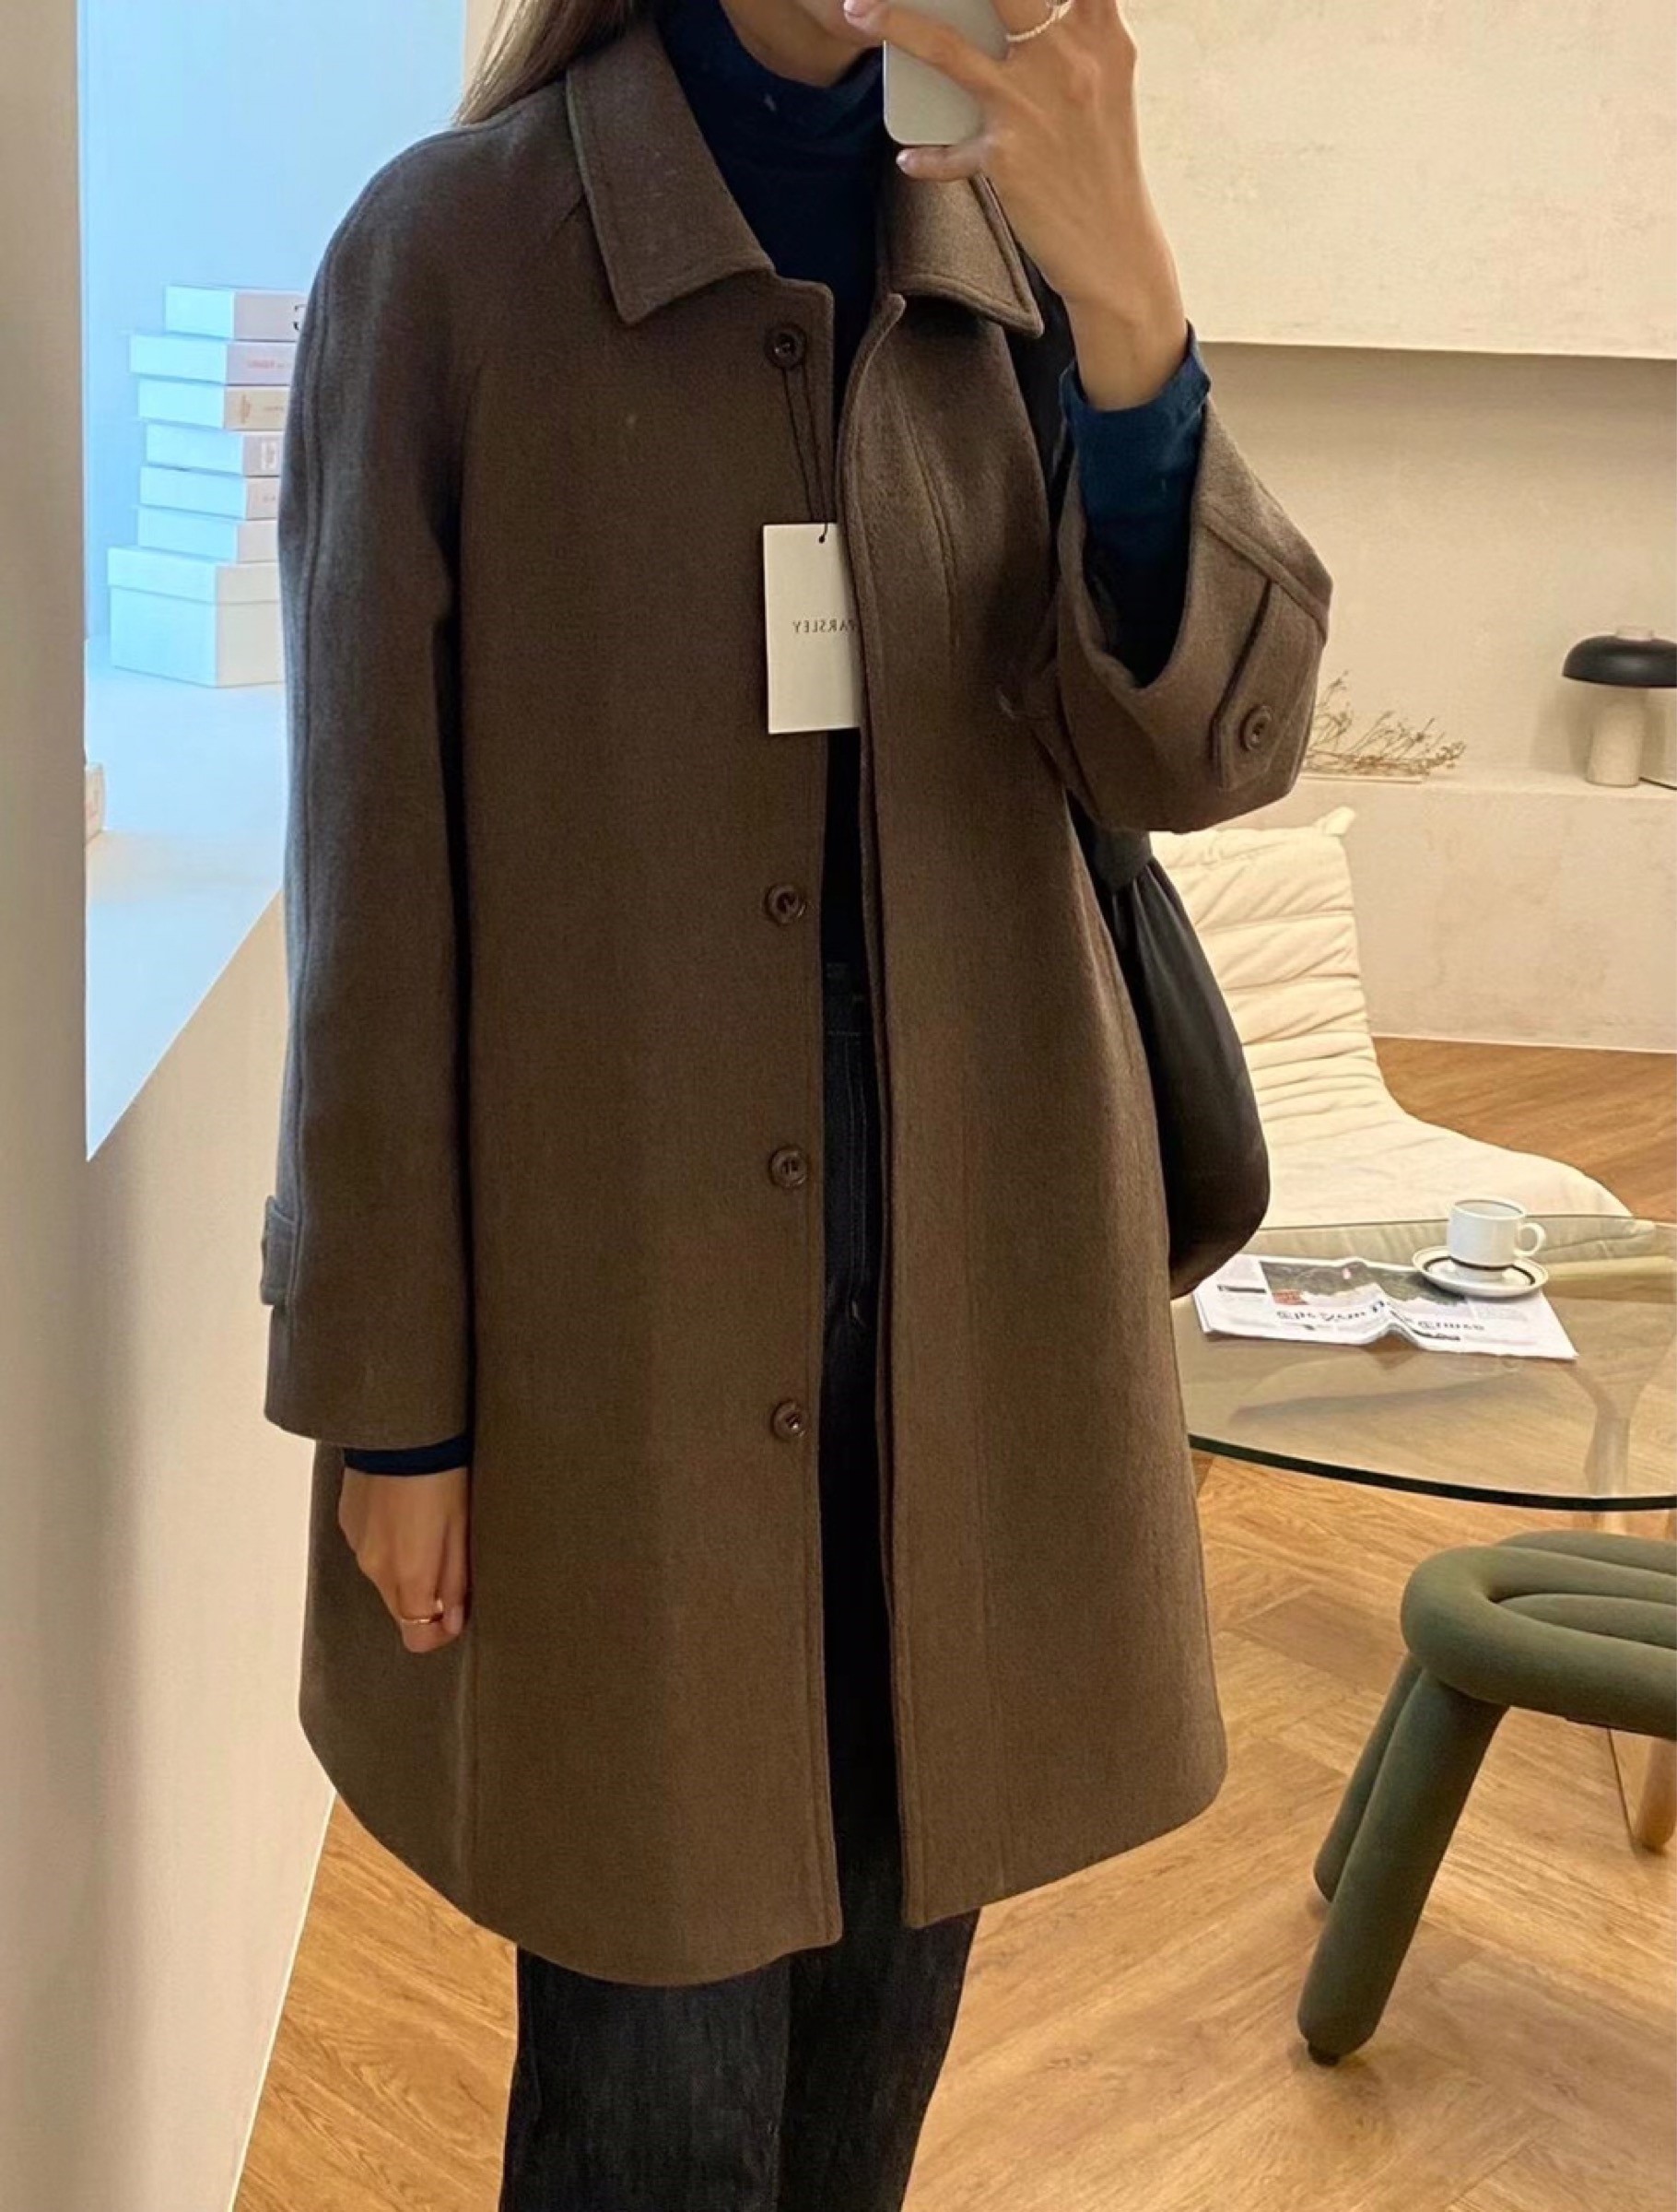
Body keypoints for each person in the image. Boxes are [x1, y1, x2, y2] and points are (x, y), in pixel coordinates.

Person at [258, 0, 1332, 2202]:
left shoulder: (1008, 245)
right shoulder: (453, 258)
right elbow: (371, 872)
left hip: (973, 1322)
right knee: (648, 2111)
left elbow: (1199, 751)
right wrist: (394, 1410)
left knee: (869, 2081)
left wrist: (1129, 297)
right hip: (616, 1359)